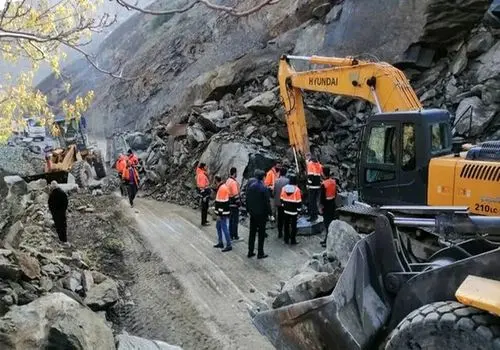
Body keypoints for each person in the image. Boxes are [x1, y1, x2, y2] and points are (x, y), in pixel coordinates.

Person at [246, 169, 271, 259]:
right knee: (261, 234)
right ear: (263, 177)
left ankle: (250, 251)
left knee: (252, 233)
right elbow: (267, 202)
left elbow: (247, 199)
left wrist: (248, 210)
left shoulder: (251, 186)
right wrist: (270, 213)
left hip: (253, 213)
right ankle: (260, 252)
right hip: (262, 214)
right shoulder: (263, 188)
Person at [280, 174, 302, 245]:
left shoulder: (284, 188)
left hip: (286, 210)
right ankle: (293, 240)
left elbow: (281, 199)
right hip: (294, 211)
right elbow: (298, 201)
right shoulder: (297, 190)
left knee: (286, 225)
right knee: (293, 226)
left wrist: (284, 205)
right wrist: (299, 210)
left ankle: (286, 239)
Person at [320, 168, 338, 247]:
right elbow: (335, 193)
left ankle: (327, 241)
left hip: (326, 205)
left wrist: (321, 207)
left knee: (327, 224)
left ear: (323, 174)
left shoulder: (324, 184)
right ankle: (327, 240)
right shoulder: (333, 182)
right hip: (332, 204)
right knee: (330, 223)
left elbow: (322, 198)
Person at [214, 175, 232, 252]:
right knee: (218, 226)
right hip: (223, 212)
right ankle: (220, 242)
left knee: (224, 227)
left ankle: (228, 245)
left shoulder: (221, 189)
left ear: (216, 181)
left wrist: (219, 215)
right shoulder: (223, 187)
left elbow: (221, 203)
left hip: (222, 213)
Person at [48, 181, 69, 246]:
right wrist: (63, 210)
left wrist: (53, 212)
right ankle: (64, 240)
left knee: (58, 227)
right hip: (62, 213)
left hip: (56, 214)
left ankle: (61, 240)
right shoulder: (62, 192)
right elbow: (66, 202)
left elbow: (50, 204)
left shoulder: (52, 195)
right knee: (63, 226)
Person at [306, 153, 323, 222]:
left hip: (312, 187)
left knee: (311, 202)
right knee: (315, 201)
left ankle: (313, 216)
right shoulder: (318, 164)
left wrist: (308, 184)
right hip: (317, 186)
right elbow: (320, 174)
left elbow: (310, 176)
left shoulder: (310, 164)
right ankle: (315, 215)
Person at [273, 166, 289, 238]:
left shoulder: (276, 181)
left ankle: (279, 232)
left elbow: (274, 192)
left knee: (279, 217)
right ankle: (286, 233)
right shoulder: (288, 181)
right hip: (286, 202)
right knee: (286, 218)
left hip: (278, 202)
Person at [226, 167, 241, 240]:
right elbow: (236, 195)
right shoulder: (233, 183)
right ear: (234, 173)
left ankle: (230, 234)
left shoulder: (228, 181)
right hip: (234, 204)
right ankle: (235, 235)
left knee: (230, 220)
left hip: (228, 202)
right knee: (235, 221)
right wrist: (239, 204)